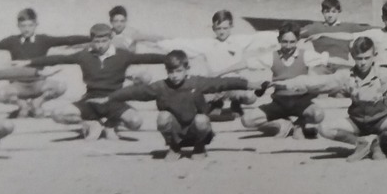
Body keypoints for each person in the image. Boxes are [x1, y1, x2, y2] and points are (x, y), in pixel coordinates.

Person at [274, 37, 387, 161]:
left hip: (380, 121)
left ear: (374, 56)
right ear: (353, 58)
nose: (363, 63)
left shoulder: (385, 75)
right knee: (324, 129)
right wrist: (283, 85)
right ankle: (361, 144)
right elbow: (315, 83)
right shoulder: (345, 76)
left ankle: (378, 143)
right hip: (356, 123)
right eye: (359, 59)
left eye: (366, 58)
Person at [99, 50, 267, 159]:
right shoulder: (161, 86)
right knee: (163, 117)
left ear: (187, 69)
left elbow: (222, 83)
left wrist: (249, 84)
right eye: (171, 72)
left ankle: (200, 147)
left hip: (196, 128)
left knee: (202, 119)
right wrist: (110, 98)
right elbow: (136, 92)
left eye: (178, 71)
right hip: (176, 128)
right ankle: (174, 147)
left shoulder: (197, 82)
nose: (174, 75)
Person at [26, 23, 169, 139]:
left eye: (104, 41)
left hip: (115, 101)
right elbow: (58, 59)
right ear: (91, 41)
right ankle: (91, 124)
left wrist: (171, 57)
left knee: (136, 122)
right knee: (57, 114)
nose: (100, 45)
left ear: (110, 39)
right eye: (97, 41)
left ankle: (111, 124)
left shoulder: (123, 55)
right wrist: (30, 61)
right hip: (90, 100)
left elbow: (147, 57)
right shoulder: (84, 55)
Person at [239, 22, 348, 138]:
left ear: (298, 40)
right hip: (279, 103)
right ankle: (281, 124)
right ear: (279, 40)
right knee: (247, 120)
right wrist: (219, 73)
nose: (288, 46)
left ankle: (299, 124)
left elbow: (329, 60)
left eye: (292, 42)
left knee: (318, 115)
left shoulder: (306, 55)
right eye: (284, 41)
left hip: (301, 103)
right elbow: (247, 63)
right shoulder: (272, 56)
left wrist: (352, 65)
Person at [0, 9, 92, 119]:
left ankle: (37, 103)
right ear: (18, 26)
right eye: (23, 26)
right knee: (0, 95)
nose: (27, 29)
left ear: (36, 24)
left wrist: (92, 37)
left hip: (39, 83)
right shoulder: (12, 41)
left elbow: (67, 40)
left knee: (61, 87)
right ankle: (22, 105)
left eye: (30, 25)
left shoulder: (43, 40)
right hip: (18, 85)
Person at [160, 10, 272, 119]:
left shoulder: (239, 40)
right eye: (218, 28)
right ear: (213, 28)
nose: (222, 32)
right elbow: (184, 44)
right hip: (215, 84)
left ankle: (235, 104)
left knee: (250, 98)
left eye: (225, 28)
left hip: (235, 83)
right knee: (195, 100)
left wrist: (281, 35)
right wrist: (157, 42)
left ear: (231, 26)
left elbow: (260, 38)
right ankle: (216, 104)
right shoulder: (207, 43)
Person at [299, 0, 372, 59]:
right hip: (321, 65)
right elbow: (294, 33)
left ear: (339, 12)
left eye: (333, 12)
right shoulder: (316, 27)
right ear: (322, 12)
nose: (330, 15)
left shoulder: (347, 27)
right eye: (327, 12)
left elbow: (371, 29)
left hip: (342, 64)